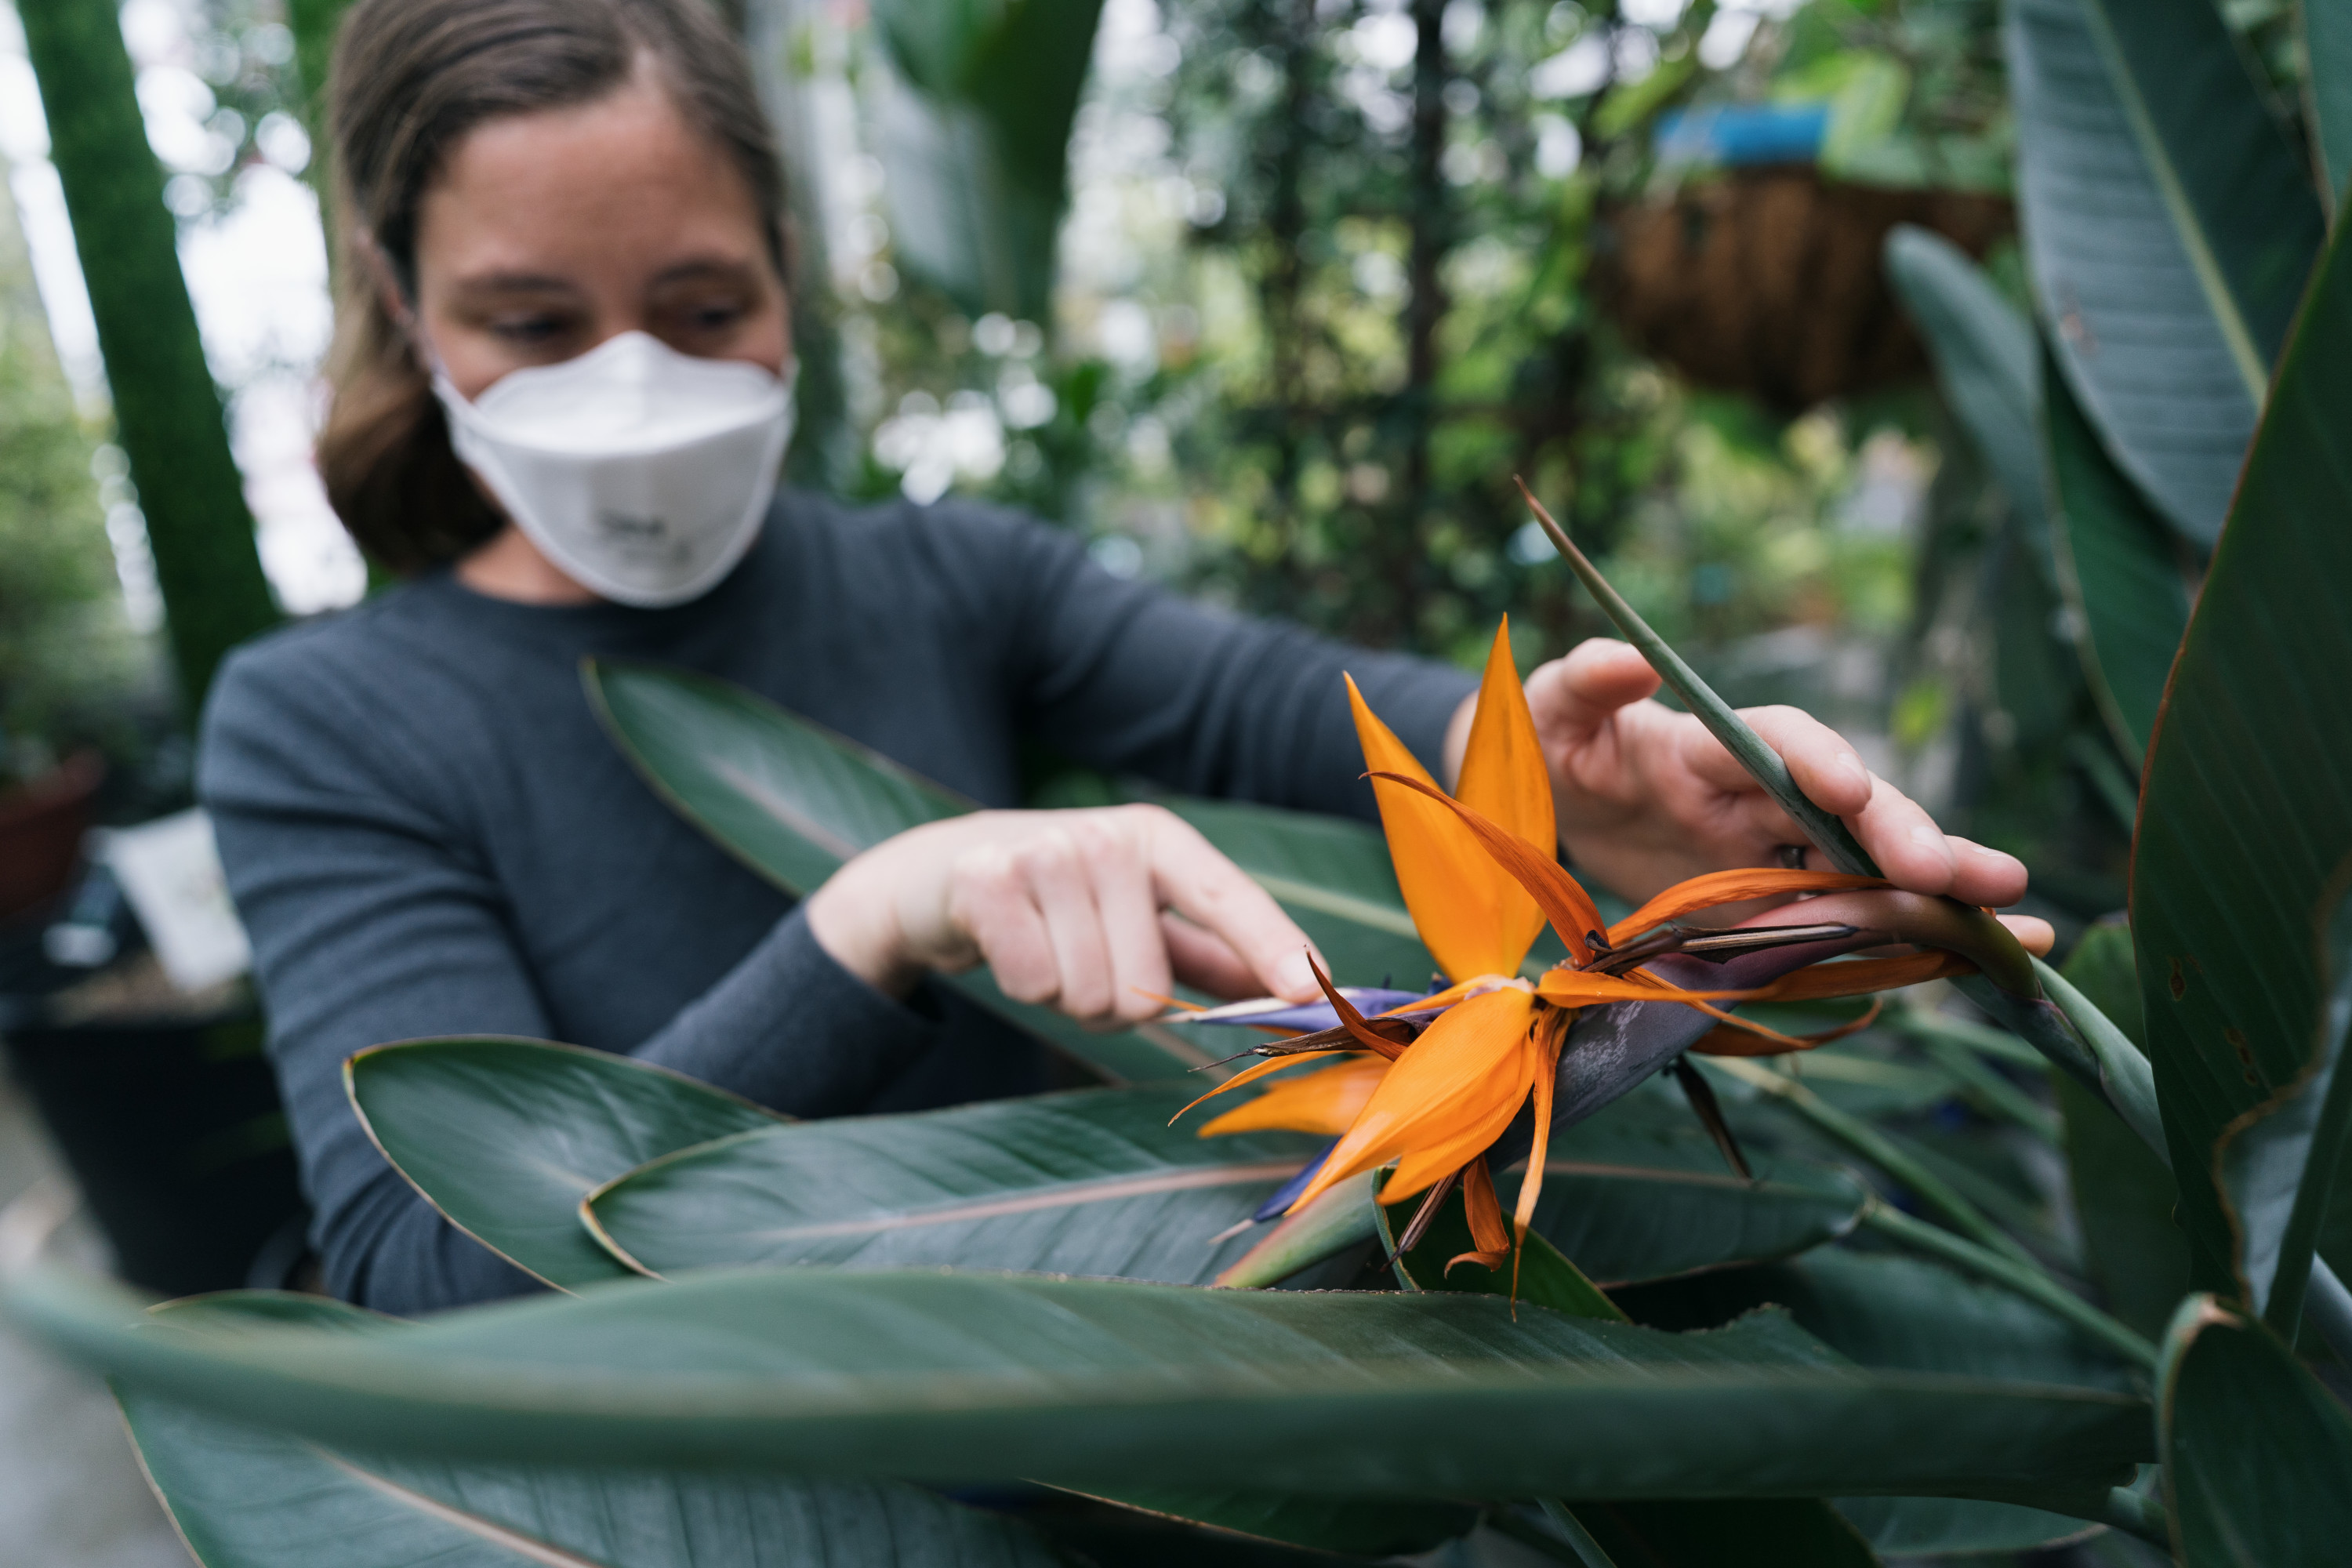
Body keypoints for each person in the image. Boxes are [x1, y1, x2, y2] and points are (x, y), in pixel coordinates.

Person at [198, 0, 2040, 1317]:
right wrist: (882, 913)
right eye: (533, 322)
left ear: (787, 266)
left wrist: (1581, 784)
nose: (636, 385)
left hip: (1132, 1424)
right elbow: (423, 1269)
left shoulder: (949, 580)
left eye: (702, 308)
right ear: (396, 297)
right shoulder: (325, 724)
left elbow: (1268, 705)